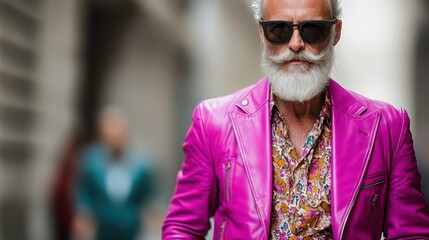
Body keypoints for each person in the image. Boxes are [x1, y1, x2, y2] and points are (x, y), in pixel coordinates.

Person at [162, 0, 429, 239]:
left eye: (313, 29)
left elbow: (411, 234)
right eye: (279, 30)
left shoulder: (387, 127)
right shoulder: (213, 122)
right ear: (261, 34)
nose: (296, 44)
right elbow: (182, 228)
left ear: (335, 33)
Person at [73, 107, 156, 240]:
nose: (114, 137)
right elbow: (83, 193)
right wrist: (83, 214)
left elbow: (150, 195)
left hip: (131, 229)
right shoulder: (91, 161)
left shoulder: (141, 165)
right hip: (102, 229)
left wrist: (153, 215)